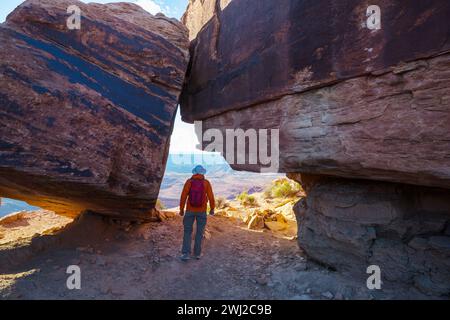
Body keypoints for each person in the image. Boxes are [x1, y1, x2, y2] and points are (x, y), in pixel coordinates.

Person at [179, 165, 215, 261]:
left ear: (194, 172)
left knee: (187, 232)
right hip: (202, 211)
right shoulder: (206, 183)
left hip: (190, 211)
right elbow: (211, 197)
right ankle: (197, 254)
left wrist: (181, 209)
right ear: (203, 173)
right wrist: (212, 209)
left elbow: (183, 196)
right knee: (200, 232)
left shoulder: (189, 182)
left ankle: (185, 254)